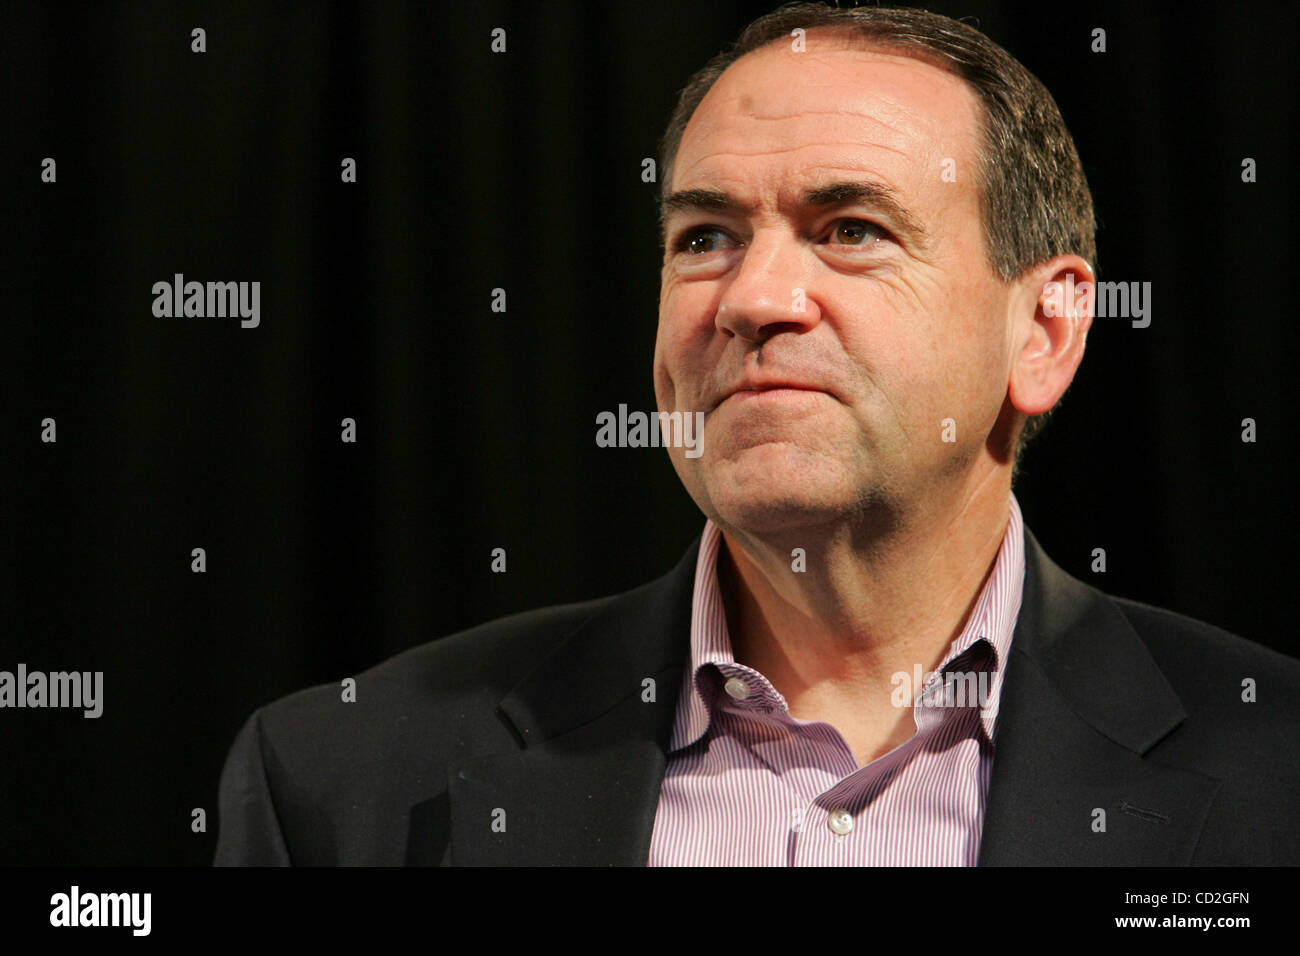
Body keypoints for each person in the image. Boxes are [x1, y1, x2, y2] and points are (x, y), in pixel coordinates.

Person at [214, 3, 1300, 866]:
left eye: (852, 230)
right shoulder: (339, 780)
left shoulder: (1274, 769)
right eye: (704, 237)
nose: (752, 296)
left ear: (1046, 329)